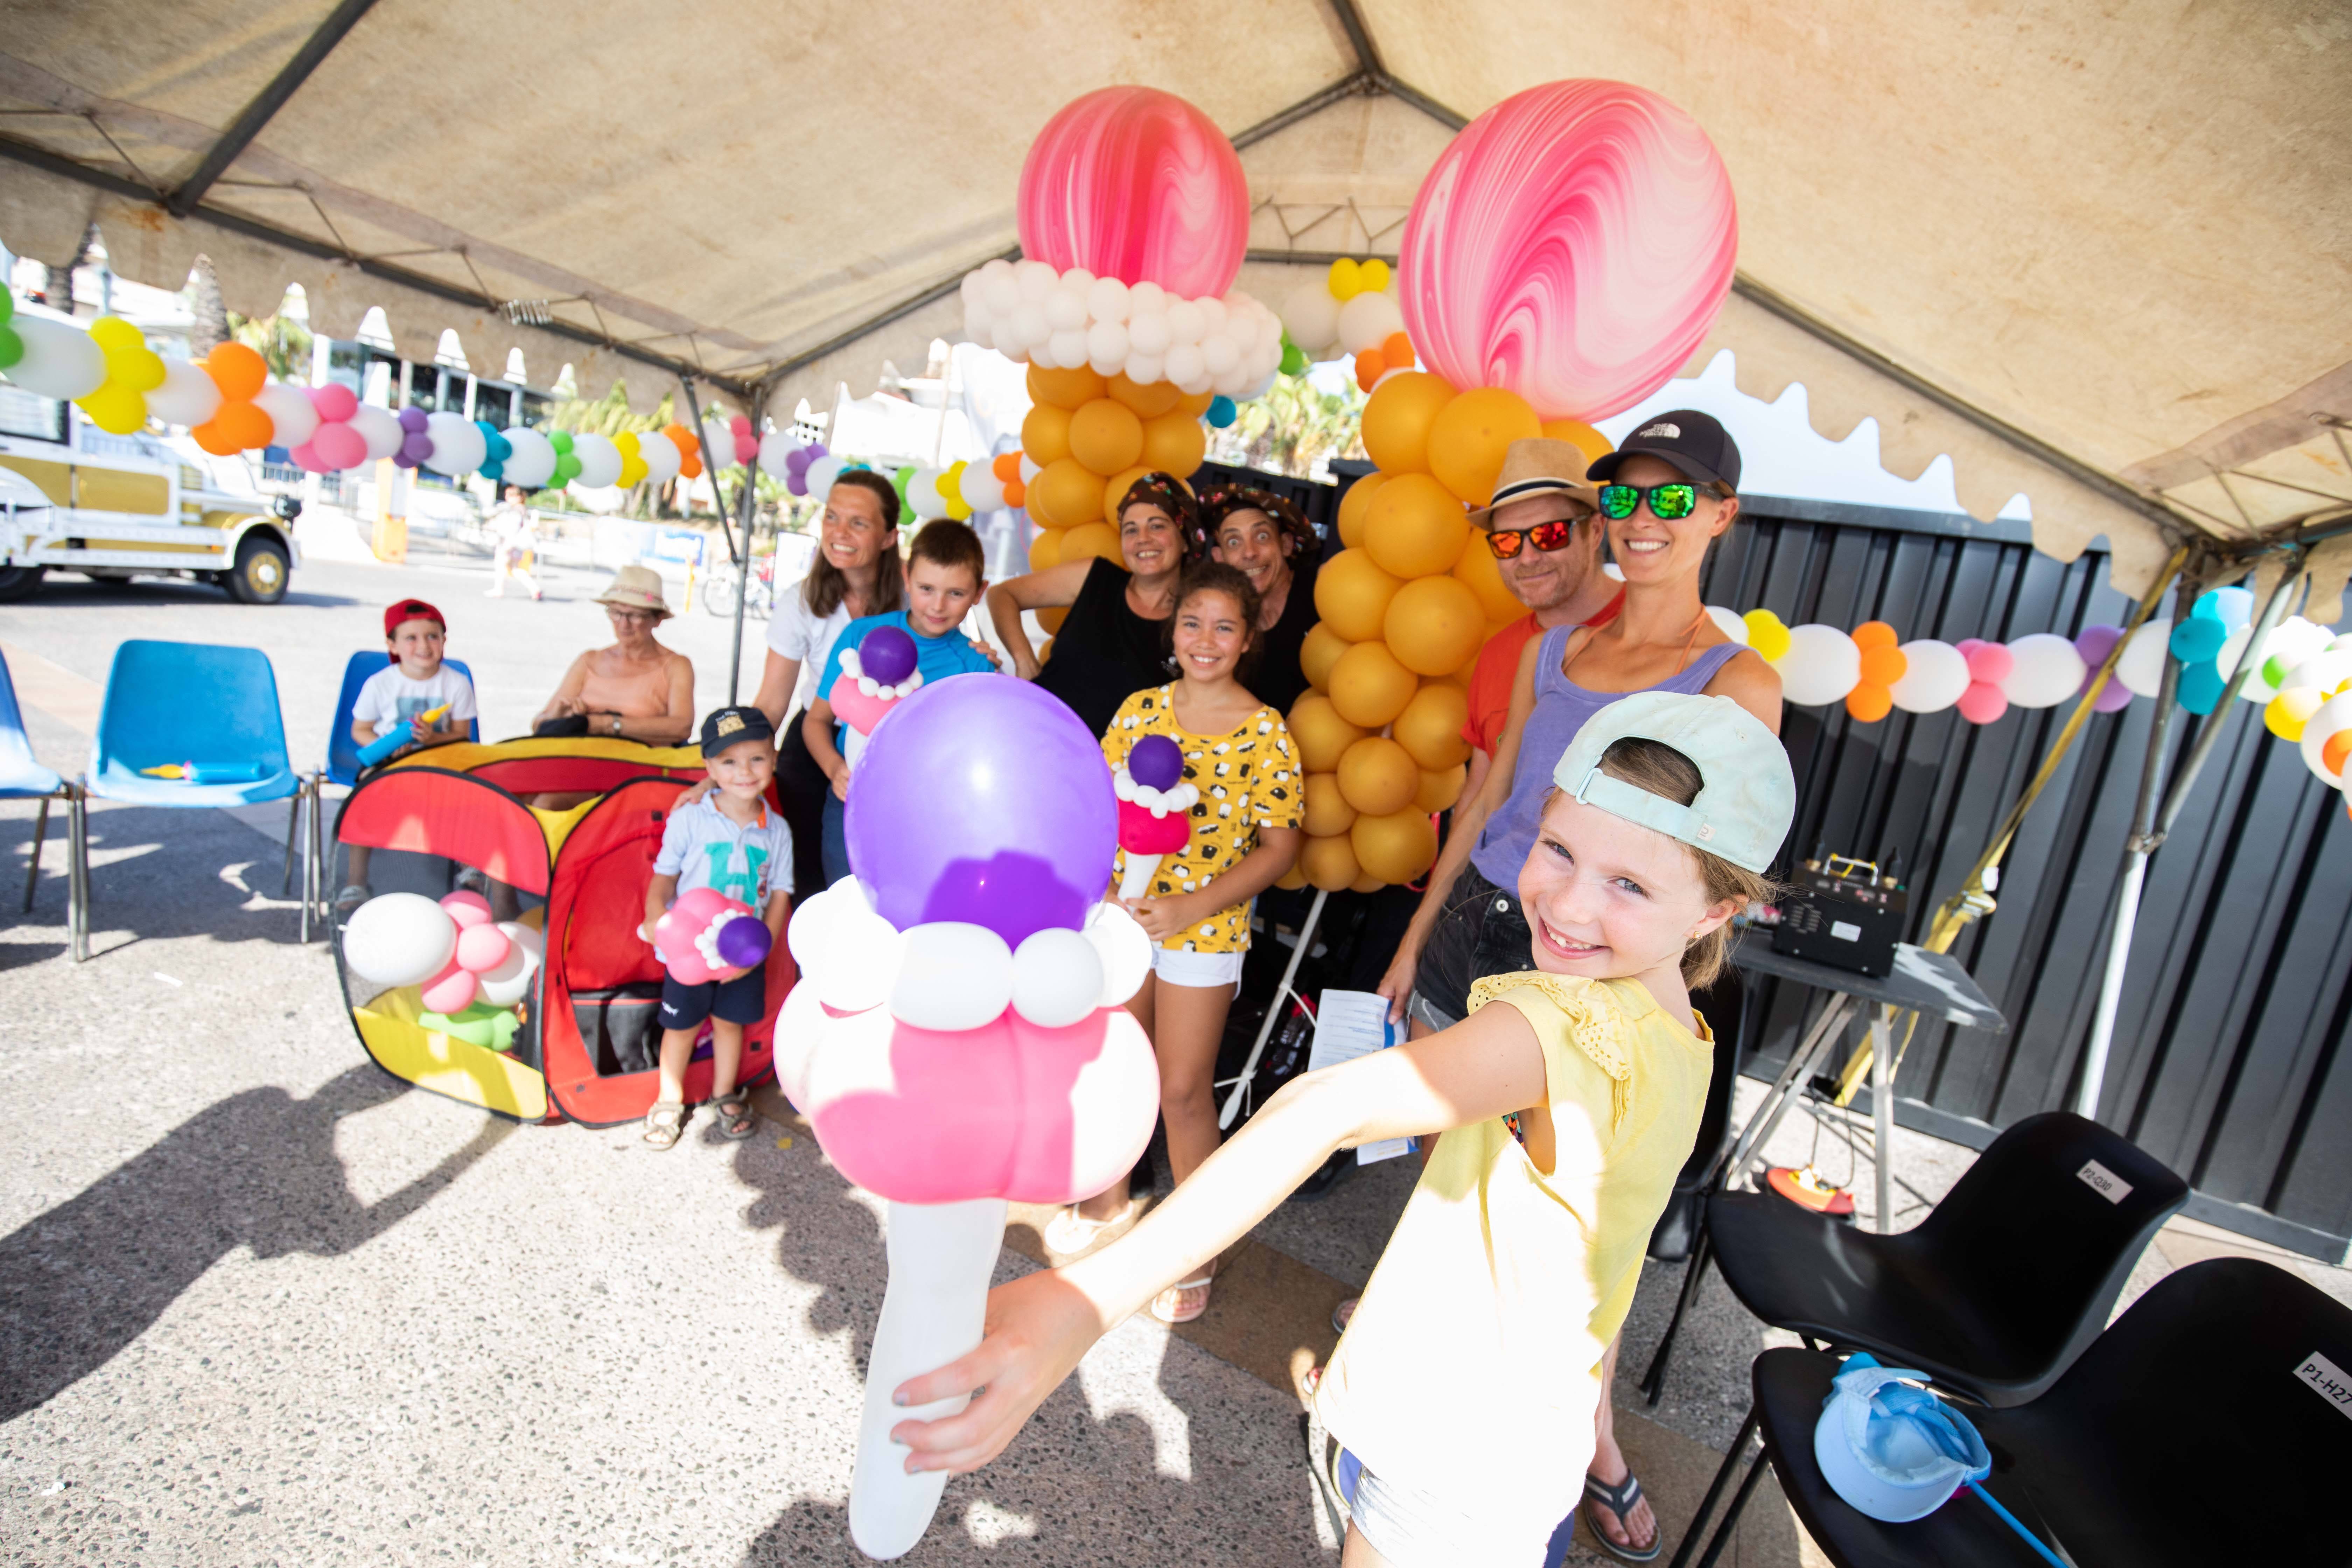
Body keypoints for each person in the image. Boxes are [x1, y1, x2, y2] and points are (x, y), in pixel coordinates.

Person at [887, 692, 1793, 1568]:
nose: (1568, 906)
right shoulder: (1682, 1035)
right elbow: (1607, 1262)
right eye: (1557, 849)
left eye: (1628, 883)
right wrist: (1592, 1433)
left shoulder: (1562, 1029)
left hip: (1454, 1457)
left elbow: (1325, 1109)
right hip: (1522, 1439)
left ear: (1718, 910)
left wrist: (1087, 1300)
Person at [1373, 416, 1780, 1559]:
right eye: (1627, 499)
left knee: (1572, 1261)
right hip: (1477, 937)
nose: (1642, 523)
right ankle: (1426, 1410)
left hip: (1592, 985)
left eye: (1672, 500)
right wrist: (1415, 938)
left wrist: (1642, 1026)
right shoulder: (1556, 653)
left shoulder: (1737, 680)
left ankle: (1566, 1466)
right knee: (1455, 1197)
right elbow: (1486, 812)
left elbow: (1714, 881)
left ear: (1718, 516)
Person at [1045, 561, 1302, 1323]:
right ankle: (1107, 1199)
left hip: (1207, 927)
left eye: (1225, 626)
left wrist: (1191, 902)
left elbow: (1280, 848)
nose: (1206, 639)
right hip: (1122, 922)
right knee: (1115, 1061)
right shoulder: (1140, 708)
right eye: (1193, 622)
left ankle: (1197, 1244)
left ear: (1249, 637)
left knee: (1184, 1089)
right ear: (1173, 629)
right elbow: (1095, 803)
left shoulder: (1265, 730)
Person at [804, 519, 999, 886]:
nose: (938, 605)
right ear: (906, 577)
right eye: (926, 588)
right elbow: (816, 721)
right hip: (850, 804)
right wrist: (834, 769)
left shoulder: (975, 665)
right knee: (848, 907)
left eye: (956, 593)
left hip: (926, 816)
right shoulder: (861, 636)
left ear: (979, 592)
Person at [639, 706, 793, 1150]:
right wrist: (655, 916)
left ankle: (726, 1092)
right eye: (728, 761)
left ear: (774, 758)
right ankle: (669, 1098)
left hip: (744, 953)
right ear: (708, 768)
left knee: (730, 1025)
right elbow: (664, 877)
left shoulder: (777, 830)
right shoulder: (690, 816)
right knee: (681, 1026)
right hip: (688, 953)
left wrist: (761, 950)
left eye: (757, 759)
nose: (744, 771)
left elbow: (780, 891)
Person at [988, 473, 1196, 738]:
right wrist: (1025, 660)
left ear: (1185, 539)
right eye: (1131, 529)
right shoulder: (1095, 578)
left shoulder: (1195, 623)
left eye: (1157, 526)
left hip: (1107, 774)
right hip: (1030, 737)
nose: (1143, 538)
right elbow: (1001, 595)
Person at [337, 598, 479, 912]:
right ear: (393, 644)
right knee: (363, 798)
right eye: (411, 638)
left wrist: (433, 738)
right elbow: (360, 730)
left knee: (471, 793)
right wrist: (384, 743)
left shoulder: (456, 684)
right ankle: (356, 881)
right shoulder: (380, 684)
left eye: (433, 636)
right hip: (392, 761)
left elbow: (462, 736)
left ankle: (469, 863)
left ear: (444, 641)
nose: (424, 646)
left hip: (441, 761)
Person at [1199, 482, 1322, 715]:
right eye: (1234, 542)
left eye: (1262, 536)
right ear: (1220, 558)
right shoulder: (1222, 623)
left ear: (1285, 545)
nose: (1250, 553)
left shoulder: (1324, 589)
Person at [484, 485, 542, 601]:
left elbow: (513, 529)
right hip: (515, 543)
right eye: (507, 495)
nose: (507, 498)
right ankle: (534, 588)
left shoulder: (516, 510)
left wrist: (508, 543)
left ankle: (498, 589)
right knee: (514, 569)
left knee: (501, 565)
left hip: (510, 542)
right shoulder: (520, 509)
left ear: (519, 497)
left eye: (511, 495)